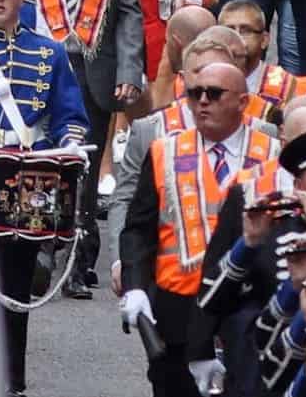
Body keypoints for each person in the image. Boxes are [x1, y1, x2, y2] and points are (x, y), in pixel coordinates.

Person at [12, 0, 146, 293]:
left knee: (83, 168)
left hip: (95, 68)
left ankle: (78, 262)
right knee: (40, 160)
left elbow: (129, 12)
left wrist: (130, 69)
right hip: (40, 68)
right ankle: (39, 253)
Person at [119, 56, 278, 397]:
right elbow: (138, 229)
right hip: (178, 310)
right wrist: (135, 285)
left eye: (214, 93)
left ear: (242, 101)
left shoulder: (272, 154)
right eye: (194, 94)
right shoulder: (165, 151)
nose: (202, 101)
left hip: (246, 309)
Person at [0, 0, 89, 382]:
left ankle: (11, 377)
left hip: (27, 172)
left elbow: (69, 116)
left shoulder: (49, 52)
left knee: (16, 280)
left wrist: (71, 145)